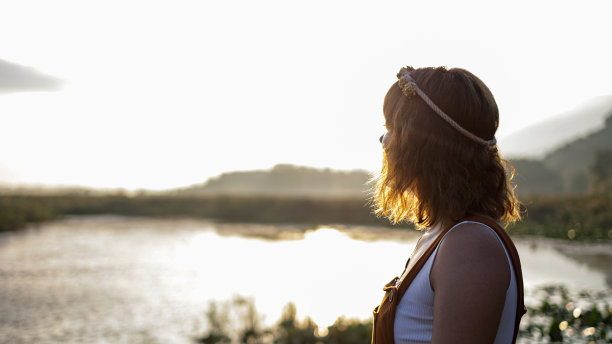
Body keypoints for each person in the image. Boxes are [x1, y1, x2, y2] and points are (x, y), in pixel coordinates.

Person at [371, 66, 525, 344]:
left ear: (423, 142)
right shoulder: (443, 236)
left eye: (392, 128)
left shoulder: (470, 244)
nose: (383, 140)